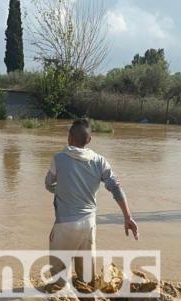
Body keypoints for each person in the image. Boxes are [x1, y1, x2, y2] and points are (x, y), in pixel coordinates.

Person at [44, 119, 139, 288]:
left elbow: (49, 184)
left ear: (69, 138)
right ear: (89, 140)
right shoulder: (100, 161)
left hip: (65, 225)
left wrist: (62, 189)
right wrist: (128, 217)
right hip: (89, 225)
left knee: (57, 279)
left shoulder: (58, 159)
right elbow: (116, 188)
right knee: (87, 279)